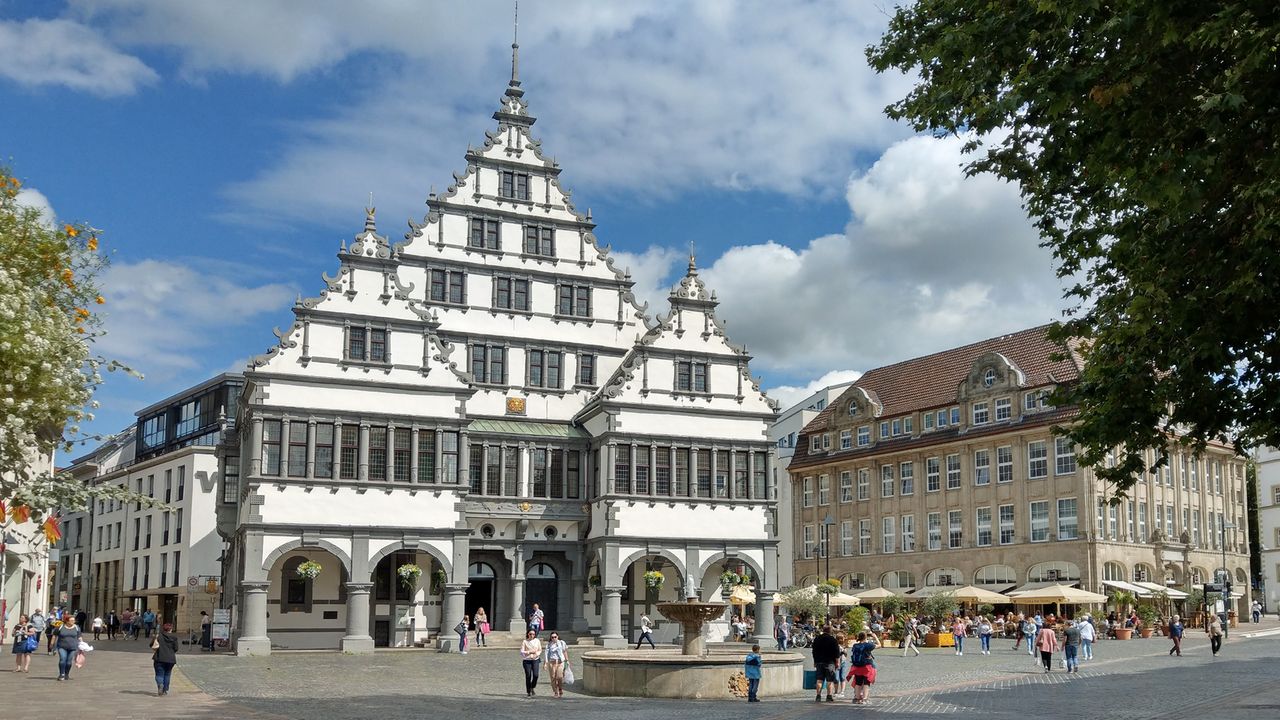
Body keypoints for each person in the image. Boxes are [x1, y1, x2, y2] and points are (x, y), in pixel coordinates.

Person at [811, 625, 841, 703]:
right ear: (830, 631)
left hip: (819, 662)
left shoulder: (817, 639)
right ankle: (829, 696)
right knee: (829, 680)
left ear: (823, 630)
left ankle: (818, 696)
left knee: (819, 679)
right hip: (830, 663)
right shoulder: (833, 640)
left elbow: (814, 651)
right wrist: (837, 662)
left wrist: (815, 661)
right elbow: (836, 652)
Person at [847, 631, 877, 705]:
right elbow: (879, 645)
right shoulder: (868, 645)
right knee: (866, 682)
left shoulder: (855, 645)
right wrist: (875, 637)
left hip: (857, 666)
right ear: (865, 637)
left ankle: (857, 699)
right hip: (866, 666)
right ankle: (865, 699)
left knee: (858, 682)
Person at [152, 622, 179, 696]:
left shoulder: (159, 636)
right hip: (170, 659)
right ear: (171, 629)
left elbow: (151, 645)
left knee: (159, 674)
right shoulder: (174, 637)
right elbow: (176, 648)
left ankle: (160, 684)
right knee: (167, 674)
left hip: (159, 658)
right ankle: (165, 690)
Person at [53, 614, 82, 681]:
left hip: (73, 647)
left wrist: (82, 645)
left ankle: (66, 674)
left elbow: (79, 637)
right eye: (71, 620)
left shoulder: (77, 627)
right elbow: (55, 635)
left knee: (69, 662)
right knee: (63, 659)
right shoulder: (60, 627)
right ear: (67, 621)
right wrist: (52, 644)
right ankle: (61, 674)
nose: (73, 621)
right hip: (62, 646)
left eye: (74, 620)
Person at [544, 631, 568, 699]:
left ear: (557, 637)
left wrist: (567, 660)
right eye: (552, 637)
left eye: (555, 637)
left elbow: (564, 652)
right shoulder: (549, 645)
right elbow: (546, 655)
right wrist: (545, 663)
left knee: (559, 677)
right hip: (552, 662)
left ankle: (560, 688)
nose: (554, 638)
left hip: (560, 662)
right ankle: (556, 692)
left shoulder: (562, 643)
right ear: (550, 638)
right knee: (553, 678)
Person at [520, 628, 543, 696]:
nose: (532, 635)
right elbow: (522, 652)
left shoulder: (537, 641)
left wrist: (536, 654)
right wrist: (529, 652)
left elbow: (539, 649)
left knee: (536, 675)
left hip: (535, 659)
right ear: (528, 634)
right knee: (528, 675)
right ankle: (528, 691)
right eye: (530, 634)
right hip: (527, 660)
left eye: (533, 634)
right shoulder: (525, 641)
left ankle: (532, 686)